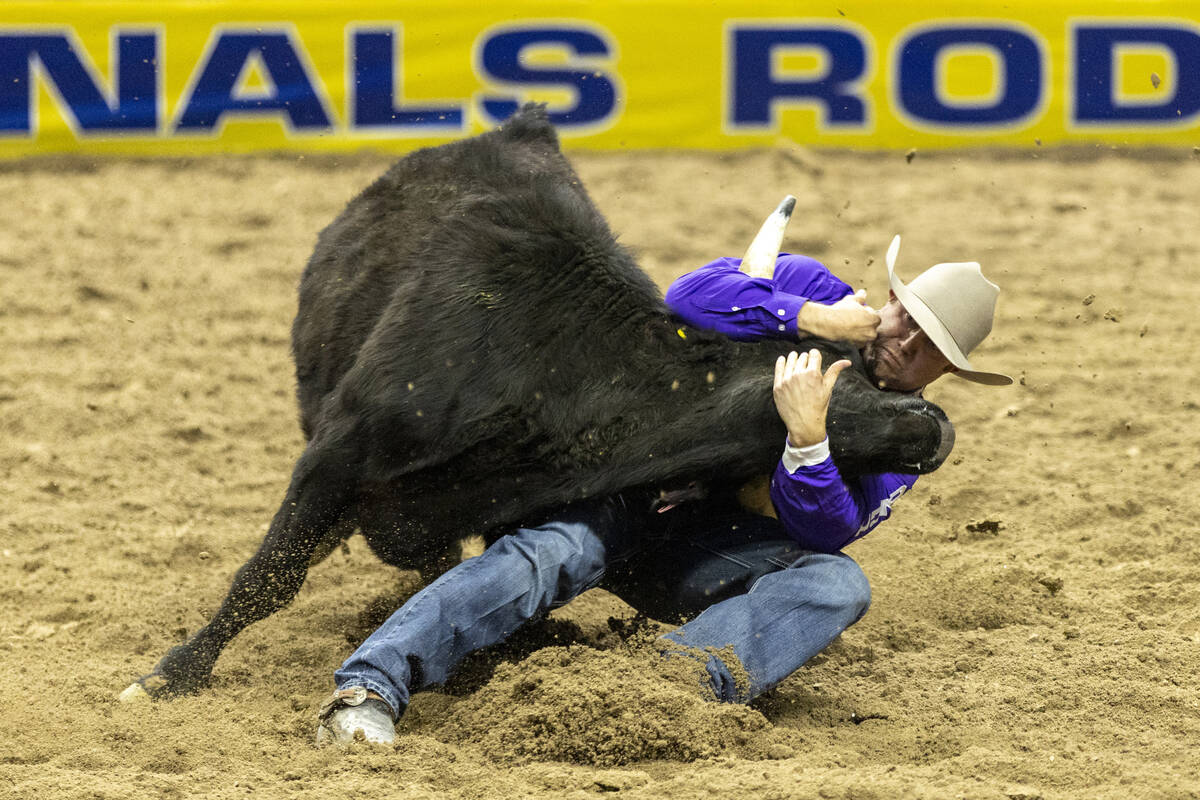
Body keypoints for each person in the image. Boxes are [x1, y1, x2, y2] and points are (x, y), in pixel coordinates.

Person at [315, 234, 1011, 746]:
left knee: (838, 584)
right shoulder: (812, 288)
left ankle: (662, 687)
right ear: (890, 300)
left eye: (925, 347)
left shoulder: (901, 440)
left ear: (946, 370)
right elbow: (688, 298)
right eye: (905, 321)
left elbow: (823, 532)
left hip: (707, 555)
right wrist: (813, 320)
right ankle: (370, 684)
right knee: (548, 556)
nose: (903, 343)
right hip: (628, 486)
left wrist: (808, 439)